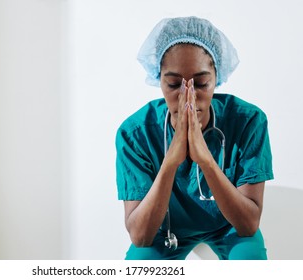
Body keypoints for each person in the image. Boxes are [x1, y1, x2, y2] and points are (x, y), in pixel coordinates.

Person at [115, 16, 274, 260]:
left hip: (229, 226)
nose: (188, 96)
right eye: (173, 84)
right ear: (159, 80)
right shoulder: (135, 133)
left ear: (216, 79)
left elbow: (248, 224)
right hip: (165, 229)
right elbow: (140, 236)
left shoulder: (248, 122)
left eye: (200, 83)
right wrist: (171, 161)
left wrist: (205, 160)